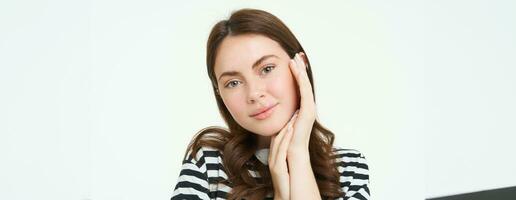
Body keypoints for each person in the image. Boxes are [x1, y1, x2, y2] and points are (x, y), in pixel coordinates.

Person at [171, 8, 369, 200]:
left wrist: (298, 155)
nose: (254, 94)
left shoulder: (348, 168)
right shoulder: (208, 163)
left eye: (267, 69)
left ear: (300, 65)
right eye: (233, 83)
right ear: (219, 93)